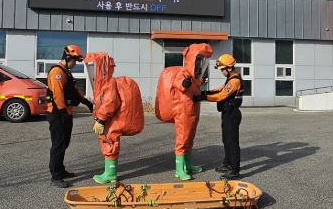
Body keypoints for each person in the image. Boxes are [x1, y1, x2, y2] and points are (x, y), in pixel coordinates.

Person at [154, 43, 213, 180]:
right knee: (183, 138)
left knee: (189, 138)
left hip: (192, 111)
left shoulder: (195, 77)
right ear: (192, 59)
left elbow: (194, 86)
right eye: (199, 60)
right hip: (183, 111)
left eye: (203, 60)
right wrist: (185, 83)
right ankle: (179, 169)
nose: (201, 64)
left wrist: (200, 82)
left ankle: (188, 164)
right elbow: (180, 84)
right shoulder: (183, 73)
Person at [84, 52, 144, 183]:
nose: (91, 71)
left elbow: (110, 102)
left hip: (108, 121)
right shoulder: (102, 84)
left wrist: (100, 120)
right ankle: (109, 172)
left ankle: (110, 174)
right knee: (108, 142)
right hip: (108, 120)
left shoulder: (108, 84)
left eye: (93, 67)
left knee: (109, 143)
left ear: (101, 68)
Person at [46, 45, 94, 188]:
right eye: (74, 61)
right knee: (58, 145)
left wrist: (87, 102)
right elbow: (58, 95)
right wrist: (62, 113)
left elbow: (75, 89)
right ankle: (56, 176)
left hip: (66, 113)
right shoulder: (57, 72)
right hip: (58, 114)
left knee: (64, 144)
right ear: (68, 58)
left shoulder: (66, 72)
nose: (75, 64)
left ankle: (61, 170)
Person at [196, 54, 244, 180]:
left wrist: (204, 97)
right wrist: (205, 92)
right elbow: (219, 89)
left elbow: (221, 96)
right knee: (226, 140)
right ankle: (227, 163)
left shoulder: (234, 81)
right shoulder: (230, 79)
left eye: (223, 69)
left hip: (232, 114)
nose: (222, 72)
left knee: (232, 143)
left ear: (229, 68)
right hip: (227, 113)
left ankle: (235, 170)